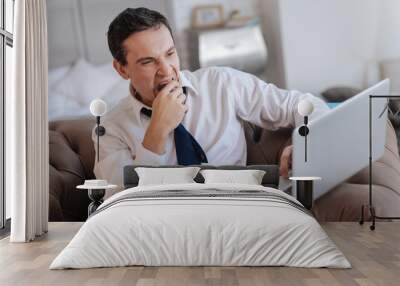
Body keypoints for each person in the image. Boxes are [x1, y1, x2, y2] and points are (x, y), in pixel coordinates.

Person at [93, 7, 329, 197]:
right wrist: (157, 130)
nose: (166, 71)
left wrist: (306, 145)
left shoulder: (221, 83)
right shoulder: (110, 130)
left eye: (170, 54)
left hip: (245, 209)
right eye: (148, 62)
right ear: (122, 68)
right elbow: (120, 202)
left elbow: (305, 104)